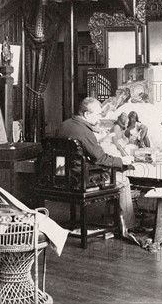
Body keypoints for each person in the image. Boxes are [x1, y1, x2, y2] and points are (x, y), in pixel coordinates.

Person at [55, 97, 136, 236]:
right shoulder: (84, 132)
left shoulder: (63, 125)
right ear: (87, 114)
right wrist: (122, 161)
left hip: (61, 176)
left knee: (111, 174)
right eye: (98, 115)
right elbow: (101, 158)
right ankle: (128, 227)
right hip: (81, 180)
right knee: (123, 180)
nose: (100, 118)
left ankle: (111, 218)